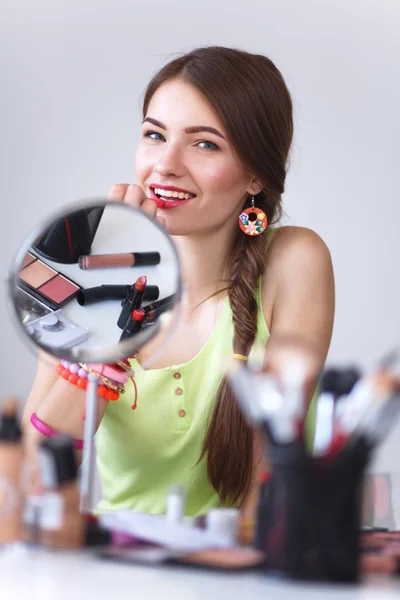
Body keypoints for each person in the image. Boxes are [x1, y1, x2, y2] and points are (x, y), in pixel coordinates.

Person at [23, 46, 335, 518]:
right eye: (154, 135)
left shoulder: (294, 260)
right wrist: (105, 335)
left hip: (241, 575)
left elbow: (267, 490)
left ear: (255, 174)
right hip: (115, 573)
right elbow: (34, 479)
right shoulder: (76, 269)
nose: (165, 165)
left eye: (204, 143)